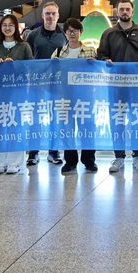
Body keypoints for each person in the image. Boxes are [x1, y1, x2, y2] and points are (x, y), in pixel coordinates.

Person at [97, 0, 138, 173]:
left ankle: (137, 157)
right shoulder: (108, 33)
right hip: (115, 86)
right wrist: (105, 60)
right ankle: (119, 158)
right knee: (117, 121)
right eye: (121, 9)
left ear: (132, 11)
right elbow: (101, 55)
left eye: (127, 9)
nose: (124, 12)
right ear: (117, 12)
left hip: (137, 86)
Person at [52, 18, 99, 175]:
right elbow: (51, 75)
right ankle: (70, 161)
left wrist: (95, 65)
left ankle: (89, 160)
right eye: (69, 31)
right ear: (65, 33)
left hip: (86, 96)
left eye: (76, 31)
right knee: (67, 129)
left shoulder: (90, 51)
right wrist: (54, 66)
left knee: (88, 127)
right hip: (65, 97)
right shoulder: (59, 52)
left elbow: (98, 74)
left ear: (81, 32)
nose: (72, 34)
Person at [0, 14, 33, 174]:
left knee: (16, 125)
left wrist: (15, 65)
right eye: (4, 25)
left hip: (18, 92)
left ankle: (16, 162)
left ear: (16, 28)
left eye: (10, 25)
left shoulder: (24, 46)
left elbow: (30, 69)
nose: (7, 28)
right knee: (1, 127)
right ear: (0, 28)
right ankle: (1, 162)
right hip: (0, 92)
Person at [25, 1, 66, 166]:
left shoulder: (64, 35)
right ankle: (33, 153)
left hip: (57, 84)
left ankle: (54, 152)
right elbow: (26, 58)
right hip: (37, 83)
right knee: (35, 118)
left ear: (58, 16)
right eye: (47, 13)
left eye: (53, 13)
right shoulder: (33, 35)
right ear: (42, 15)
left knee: (55, 118)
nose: (50, 16)